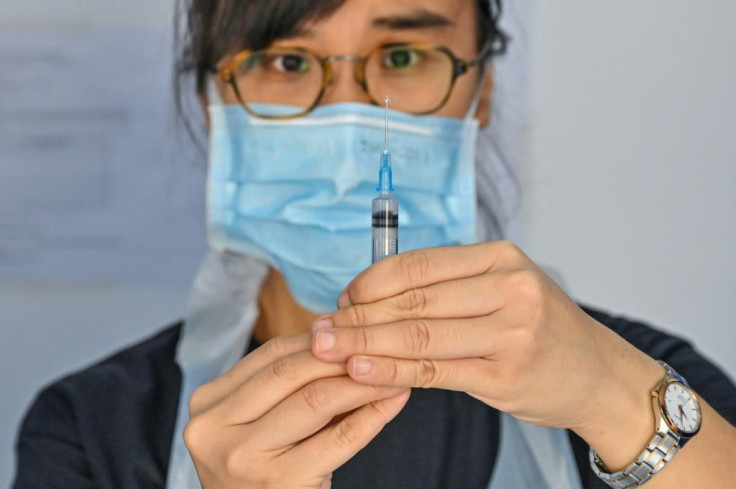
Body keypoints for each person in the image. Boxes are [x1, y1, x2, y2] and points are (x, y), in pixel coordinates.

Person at [12, 0, 736, 488]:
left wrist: (611, 395)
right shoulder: (93, 431)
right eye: (289, 63)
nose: (352, 117)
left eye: (402, 56)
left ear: (481, 88)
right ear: (215, 97)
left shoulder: (645, 379)